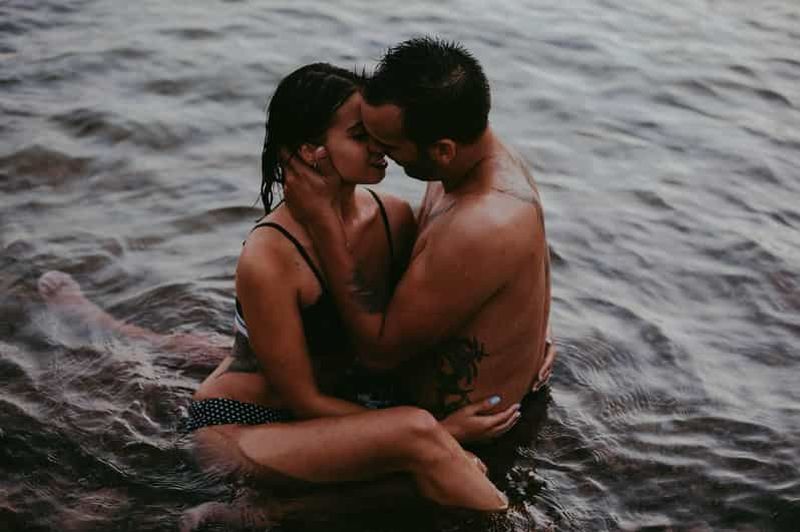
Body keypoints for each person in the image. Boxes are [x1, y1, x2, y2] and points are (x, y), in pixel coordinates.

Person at [38, 63, 518, 520]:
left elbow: (421, 315)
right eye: (360, 137)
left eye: (377, 134)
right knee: (419, 438)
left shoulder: (393, 216)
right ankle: (98, 324)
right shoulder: (269, 257)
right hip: (247, 423)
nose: (381, 149)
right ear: (312, 151)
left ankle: (266, 515)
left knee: (231, 350)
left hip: (327, 406)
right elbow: (304, 400)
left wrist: (519, 347)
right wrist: (442, 432)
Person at [284, 38, 554, 434]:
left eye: (387, 144)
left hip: (470, 440)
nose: (376, 150)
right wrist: (533, 332)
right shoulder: (472, 157)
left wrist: (323, 220)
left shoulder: (483, 222)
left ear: (442, 150)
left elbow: (378, 353)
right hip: (435, 415)